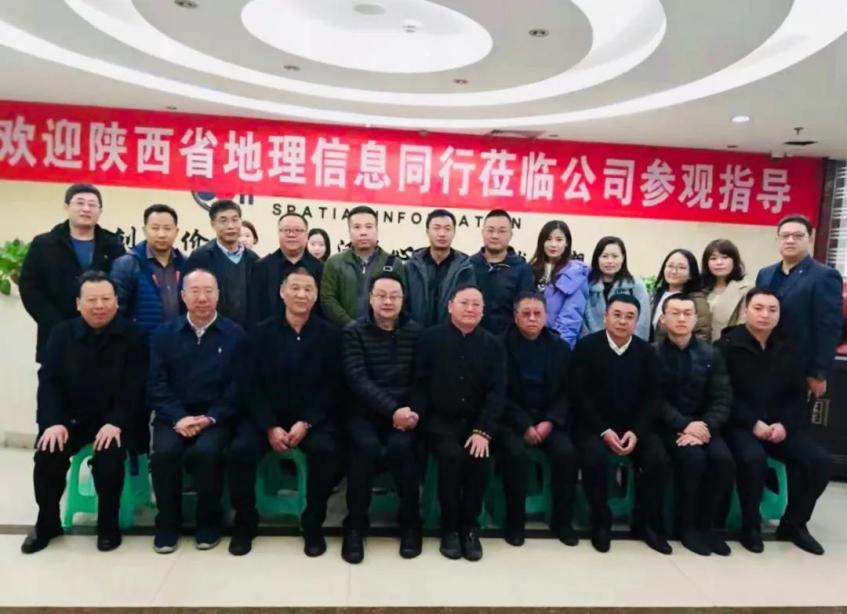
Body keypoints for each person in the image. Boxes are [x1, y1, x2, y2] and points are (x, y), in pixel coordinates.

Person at [21, 271, 147, 554]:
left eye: (105, 299)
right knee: (48, 453)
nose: (99, 305)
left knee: (109, 455)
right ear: (78, 303)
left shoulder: (134, 336)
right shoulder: (61, 333)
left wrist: (116, 422)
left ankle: (108, 525)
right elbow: (49, 382)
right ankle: (47, 522)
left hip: (116, 421)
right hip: (72, 421)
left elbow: (135, 387)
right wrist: (53, 422)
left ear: (116, 302)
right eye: (91, 300)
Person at [229, 267, 342, 557]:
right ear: (282, 292)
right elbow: (249, 384)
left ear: (316, 296)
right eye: (295, 288)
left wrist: (307, 422)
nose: (301, 294)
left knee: (326, 452)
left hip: (311, 419)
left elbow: (332, 387)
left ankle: (313, 523)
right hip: (266, 418)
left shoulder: (330, 336)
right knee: (240, 451)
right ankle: (245, 522)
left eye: (308, 289)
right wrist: (269, 426)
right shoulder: (259, 333)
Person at [718, 288, 831, 555]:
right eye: (758, 308)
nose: (765, 315)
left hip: (779, 427)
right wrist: (752, 423)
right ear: (746, 311)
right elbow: (723, 394)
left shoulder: (787, 347)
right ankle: (750, 525)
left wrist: (784, 425)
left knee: (818, 461)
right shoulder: (727, 346)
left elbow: (796, 396)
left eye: (772, 310)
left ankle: (794, 524)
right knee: (753, 458)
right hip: (740, 425)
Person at [148, 269, 245, 554]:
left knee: (206, 452)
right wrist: (178, 417)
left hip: (216, 417)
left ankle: (209, 521)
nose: (202, 298)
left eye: (208, 291)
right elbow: (155, 383)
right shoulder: (164, 334)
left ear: (218, 295)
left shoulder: (235, 334)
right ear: (183, 296)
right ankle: (168, 524)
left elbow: (238, 386)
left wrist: (211, 417)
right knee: (164, 453)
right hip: (173, 416)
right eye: (195, 291)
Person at [411, 285, 506, 561]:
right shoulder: (430, 339)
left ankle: (470, 527)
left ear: (483, 311)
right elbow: (419, 384)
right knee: (451, 457)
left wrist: (483, 431)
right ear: (450, 306)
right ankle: (449, 528)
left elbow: (497, 392)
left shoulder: (493, 344)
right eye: (464, 303)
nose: (470, 309)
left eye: (476, 304)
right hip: (439, 422)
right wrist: (419, 418)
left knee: (479, 458)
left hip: (478, 422)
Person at [571, 294, 671, 554]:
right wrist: (604, 431)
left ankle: (646, 523)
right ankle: (600, 522)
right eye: (617, 315)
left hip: (634, 427)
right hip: (594, 426)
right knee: (594, 457)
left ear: (637, 321)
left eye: (629, 317)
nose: (622, 321)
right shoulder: (586, 347)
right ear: (605, 317)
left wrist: (636, 432)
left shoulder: (646, 352)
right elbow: (579, 395)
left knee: (657, 457)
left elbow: (652, 398)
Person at [341, 272, 423, 563]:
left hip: (405, 414)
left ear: (403, 300)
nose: (388, 301)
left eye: (394, 296)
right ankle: (355, 524)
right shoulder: (353, 332)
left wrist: (410, 412)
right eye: (382, 295)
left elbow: (421, 380)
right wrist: (392, 411)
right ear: (371, 298)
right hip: (364, 413)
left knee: (403, 449)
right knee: (365, 447)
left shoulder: (415, 332)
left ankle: (410, 523)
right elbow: (357, 379)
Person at [654, 293, 734, 557]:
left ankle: (710, 527)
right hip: (668, 427)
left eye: (687, 313)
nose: (681, 318)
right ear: (663, 319)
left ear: (696, 319)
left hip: (705, 426)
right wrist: (685, 425)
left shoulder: (711, 354)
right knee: (693, 459)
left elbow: (722, 397)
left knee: (722, 459)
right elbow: (654, 400)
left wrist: (705, 427)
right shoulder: (652, 354)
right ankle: (687, 527)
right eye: (675, 313)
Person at [497, 291, 578, 547]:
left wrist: (550, 421)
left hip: (549, 420)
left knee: (566, 453)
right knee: (515, 455)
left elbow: (568, 392)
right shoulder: (500, 346)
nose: (532, 318)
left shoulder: (560, 347)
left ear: (546, 316)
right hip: (512, 420)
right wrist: (524, 424)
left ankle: (562, 522)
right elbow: (498, 392)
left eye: (537, 313)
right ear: (515, 317)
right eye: (526, 313)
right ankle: (515, 523)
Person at [19, 183, 126, 363]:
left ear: (100, 211)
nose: (86, 209)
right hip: (55, 333)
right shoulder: (44, 244)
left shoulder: (113, 245)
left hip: (104, 335)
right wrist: (56, 325)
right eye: (80, 203)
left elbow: (121, 287)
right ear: (67, 206)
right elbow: (30, 288)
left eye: (92, 204)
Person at [756, 215, 842, 401]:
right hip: (764, 362)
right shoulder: (765, 273)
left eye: (797, 236)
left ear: (809, 239)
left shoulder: (824, 276)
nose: (790, 240)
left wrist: (819, 373)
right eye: (785, 236)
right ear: (777, 239)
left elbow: (829, 327)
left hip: (800, 368)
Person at [321, 205, 405, 327]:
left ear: (377, 230)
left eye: (369, 227)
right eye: (357, 227)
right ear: (349, 232)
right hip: (342, 332)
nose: (363, 232)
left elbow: (400, 299)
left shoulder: (393, 263)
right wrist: (351, 325)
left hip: (381, 333)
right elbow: (327, 299)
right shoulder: (334, 262)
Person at [111, 204, 185, 332]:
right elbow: (116, 311)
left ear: (176, 231)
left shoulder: (185, 263)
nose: (161, 234)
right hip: (139, 341)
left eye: (167, 228)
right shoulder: (127, 264)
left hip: (177, 341)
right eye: (155, 228)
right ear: (145, 230)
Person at [183, 200, 258, 326]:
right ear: (213, 224)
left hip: (247, 331)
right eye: (223, 221)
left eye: (235, 220)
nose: (230, 226)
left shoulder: (254, 260)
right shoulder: (200, 258)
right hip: (211, 330)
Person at [405, 209, 475, 328]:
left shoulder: (465, 268)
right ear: (427, 231)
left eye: (447, 229)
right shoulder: (411, 266)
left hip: (452, 335)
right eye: (436, 228)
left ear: (454, 232)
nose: (442, 234)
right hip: (415, 334)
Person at [250, 213, 323, 324]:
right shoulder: (262, 267)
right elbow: (254, 310)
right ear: (278, 233)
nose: (292, 235)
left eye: (297, 230)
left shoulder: (321, 268)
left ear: (307, 235)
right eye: (286, 230)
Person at [469, 210, 534, 334]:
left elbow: (525, 309)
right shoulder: (469, 265)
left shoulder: (522, 269)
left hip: (509, 339)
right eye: (490, 230)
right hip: (472, 337)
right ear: (482, 232)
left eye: (502, 231)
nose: (495, 236)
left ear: (511, 234)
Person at [528, 220, 589, 347]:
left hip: (557, 345)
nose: (553, 244)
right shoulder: (530, 270)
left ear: (567, 243)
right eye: (548, 239)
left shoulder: (575, 274)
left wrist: (557, 349)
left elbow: (570, 319)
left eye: (559, 240)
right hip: (528, 342)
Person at [582, 236, 651, 340]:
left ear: (623, 258)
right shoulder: (587, 285)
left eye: (615, 256)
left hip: (628, 346)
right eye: (604, 256)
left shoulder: (636, 285)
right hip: (592, 345)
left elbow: (642, 323)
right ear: (597, 258)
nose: (609, 261)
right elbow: (581, 321)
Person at [651, 249, 710, 342]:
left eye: (681, 267)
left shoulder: (697, 300)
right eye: (670, 266)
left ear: (691, 274)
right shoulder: (656, 294)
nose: (674, 271)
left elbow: (702, 335)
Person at [701, 239, 751, 341]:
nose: (719, 262)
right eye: (713, 258)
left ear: (734, 261)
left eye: (725, 257)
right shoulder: (700, 289)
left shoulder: (745, 290)